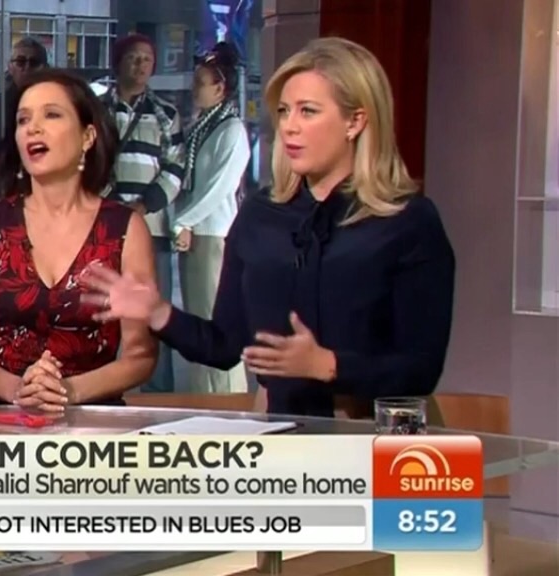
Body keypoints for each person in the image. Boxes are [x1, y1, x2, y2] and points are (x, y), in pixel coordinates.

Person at [81, 37, 456, 417]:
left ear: (355, 121)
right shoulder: (259, 217)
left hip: (378, 435)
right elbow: (224, 346)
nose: (289, 127)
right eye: (284, 111)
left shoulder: (408, 223)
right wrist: (158, 313)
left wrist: (328, 366)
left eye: (308, 111)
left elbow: (420, 369)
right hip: (283, 429)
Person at [0, 68, 157, 410]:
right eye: (23, 119)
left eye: (52, 115)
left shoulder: (126, 230)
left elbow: (140, 355)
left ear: (87, 136)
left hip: (90, 420)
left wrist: (67, 391)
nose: (33, 128)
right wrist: (19, 390)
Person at [100, 33, 186, 394]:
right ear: (118, 62)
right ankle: (98, 390)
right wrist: (111, 204)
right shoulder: (95, 109)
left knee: (152, 314)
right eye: (133, 58)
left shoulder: (166, 113)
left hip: (152, 229)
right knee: (99, 312)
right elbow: (83, 160)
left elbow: (176, 167)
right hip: (102, 226)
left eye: (147, 59)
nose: (140, 65)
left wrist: (143, 205)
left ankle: (158, 395)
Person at [173, 43, 251, 394]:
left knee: (214, 322)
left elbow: (219, 189)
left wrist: (184, 220)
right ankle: (204, 395)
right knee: (197, 320)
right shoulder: (202, 128)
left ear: (220, 88)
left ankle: (226, 398)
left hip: (214, 233)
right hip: (195, 232)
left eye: (200, 83)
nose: (194, 89)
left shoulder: (232, 130)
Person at [0, 37, 49, 203]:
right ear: (10, 67)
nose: (27, 68)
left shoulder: (55, 107)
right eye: (20, 62)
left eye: (34, 62)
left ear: (45, 67)